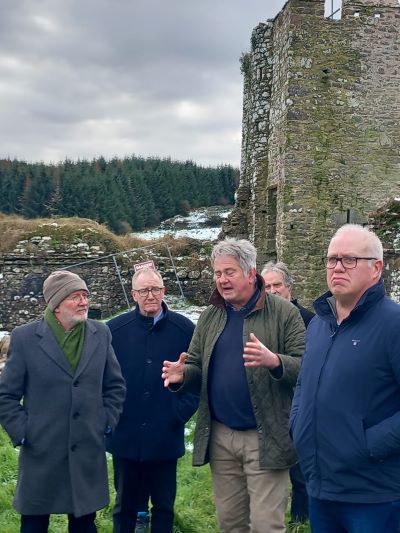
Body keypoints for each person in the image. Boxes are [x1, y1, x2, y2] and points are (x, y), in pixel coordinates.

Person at [162, 238, 305, 533]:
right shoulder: (211, 316)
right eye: (217, 273)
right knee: (230, 524)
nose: (222, 280)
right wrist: (182, 375)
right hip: (221, 437)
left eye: (229, 272)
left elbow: (306, 368)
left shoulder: (283, 313)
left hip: (266, 436)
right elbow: (198, 366)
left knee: (266, 525)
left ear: (251, 274)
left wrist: (275, 361)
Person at [290, 224, 400, 532]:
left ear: (376, 268)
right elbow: (303, 384)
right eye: (332, 259)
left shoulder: (393, 325)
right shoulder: (318, 326)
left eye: (349, 259)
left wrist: (368, 445)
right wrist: (297, 425)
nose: (337, 267)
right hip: (322, 490)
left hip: (374, 497)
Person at [0, 270, 126, 533]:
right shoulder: (25, 338)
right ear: (56, 304)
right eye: (75, 297)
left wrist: (104, 422)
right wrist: (23, 432)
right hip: (41, 451)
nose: (84, 302)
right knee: (34, 523)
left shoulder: (100, 333)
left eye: (85, 296)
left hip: (86, 450)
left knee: (84, 523)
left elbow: (114, 386)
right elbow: (6, 395)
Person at [106, 268, 198, 533]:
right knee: (124, 506)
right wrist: (113, 417)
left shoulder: (184, 329)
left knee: (164, 507)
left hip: (165, 434)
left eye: (156, 289)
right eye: (144, 290)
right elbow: (101, 380)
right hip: (126, 433)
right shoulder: (115, 330)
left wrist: (177, 414)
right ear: (134, 294)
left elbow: (197, 378)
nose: (151, 295)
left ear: (164, 291)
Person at [261, 261, 314, 524]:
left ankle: (300, 519)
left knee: (300, 466)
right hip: (267, 402)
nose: (272, 291)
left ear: (289, 288)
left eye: (277, 285)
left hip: (299, 402)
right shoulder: (257, 322)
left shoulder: (309, 320)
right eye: (266, 286)